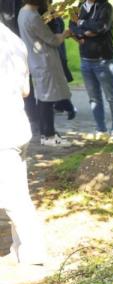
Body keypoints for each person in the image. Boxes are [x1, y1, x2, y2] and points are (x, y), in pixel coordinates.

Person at [1, 19, 47, 264]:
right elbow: (25, 90)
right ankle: (20, 248)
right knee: (17, 192)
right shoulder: (13, 40)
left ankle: (33, 252)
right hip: (17, 123)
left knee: (14, 198)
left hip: (3, 132)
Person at [19, 0, 72, 147]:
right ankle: (48, 135)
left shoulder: (23, 12)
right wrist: (65, 34)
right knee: (47, 99)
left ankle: (48, 133)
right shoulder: (32, 16)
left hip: (36, 60)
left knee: (44, 97)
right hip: (43, 61)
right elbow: (53, 40)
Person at [72, 0, 113, 138]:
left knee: (112, 97)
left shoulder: (106, 7)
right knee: (94, 98)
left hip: (103, 60)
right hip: (85, 60)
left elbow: (101, 27)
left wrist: (81, 23)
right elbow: (72, 27)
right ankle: (101, 130)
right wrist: (83, 32)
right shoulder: (79, 7)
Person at [45, 7, 75, 119]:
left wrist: (64, 34)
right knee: (58, 82)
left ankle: (67, 106)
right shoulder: (53, 14)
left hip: (55, 52)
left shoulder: (50, 15)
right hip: (57, 52)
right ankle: (63, 106)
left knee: (57, 82)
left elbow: (56, 35)